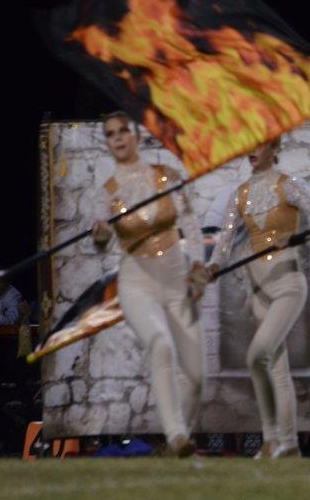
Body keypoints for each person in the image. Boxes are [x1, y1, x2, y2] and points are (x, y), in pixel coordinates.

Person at [194, 137, 310, 459]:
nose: (251, 151)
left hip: (287, 283)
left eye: (259, 145)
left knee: (257, 355)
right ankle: (281, 443)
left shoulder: (290, 185)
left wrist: (296, 236)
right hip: (258, 290)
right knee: (275, 369)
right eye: (248, 146)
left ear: (276, 149)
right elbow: (224, 244)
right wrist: (213, 267)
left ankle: (279, 441)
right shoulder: (240, 193)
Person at [92, 111, 205, 457]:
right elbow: (101, 244)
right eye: (110, 133)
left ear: (137, 136)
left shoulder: (167, 176)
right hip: (137, 282)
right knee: (161, 345)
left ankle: (176, 445)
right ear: (108, 143)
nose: (117, 137)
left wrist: (197, 265)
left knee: (196, 376)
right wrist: (100, 236)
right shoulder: (107, 193)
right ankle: (176, 436)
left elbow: (191, 226)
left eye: (123, 130)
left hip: (175, 280)